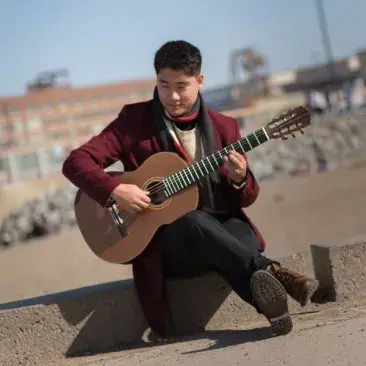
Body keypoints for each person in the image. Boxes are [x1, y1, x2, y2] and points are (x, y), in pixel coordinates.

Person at [62, 40, 319, 339]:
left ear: (200, 81)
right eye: (163, 85)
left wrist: (239, 177)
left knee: (242, 238)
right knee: (192, 221)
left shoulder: (225, 127)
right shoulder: (134, 122)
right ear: (156, 81)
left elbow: (245, 198)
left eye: (181, 86)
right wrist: (116, 191)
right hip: (170, 244)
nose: (172, 96)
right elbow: (76, 162)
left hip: (221, 226)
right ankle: (278, 274)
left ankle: (275, 309)